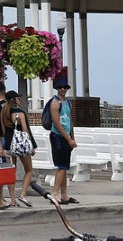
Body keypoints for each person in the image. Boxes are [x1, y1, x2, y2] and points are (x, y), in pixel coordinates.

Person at [1, 89, 36, 208]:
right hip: (19, 145)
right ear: (13, 100)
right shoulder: (20, 114)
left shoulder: (4, 113)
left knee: (11, 173)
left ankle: (12, 200)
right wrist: (31, 146)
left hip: (8, 146)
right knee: (29, 170)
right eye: (18, 98)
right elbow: (25, 130)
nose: (20, 100)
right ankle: (23, 194)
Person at [48, 76, 77, 204]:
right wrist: (67, 138)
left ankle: (64, 194)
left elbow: (70, 121)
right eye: (60, 87)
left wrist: (72, 137)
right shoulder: (55, 103)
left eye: (65, 87)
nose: (62, 89)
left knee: (65, 166)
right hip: (58, 136)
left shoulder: (68, 103)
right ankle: (55, 193)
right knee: (61, 166)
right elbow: (57, 123)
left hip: (67, 136)